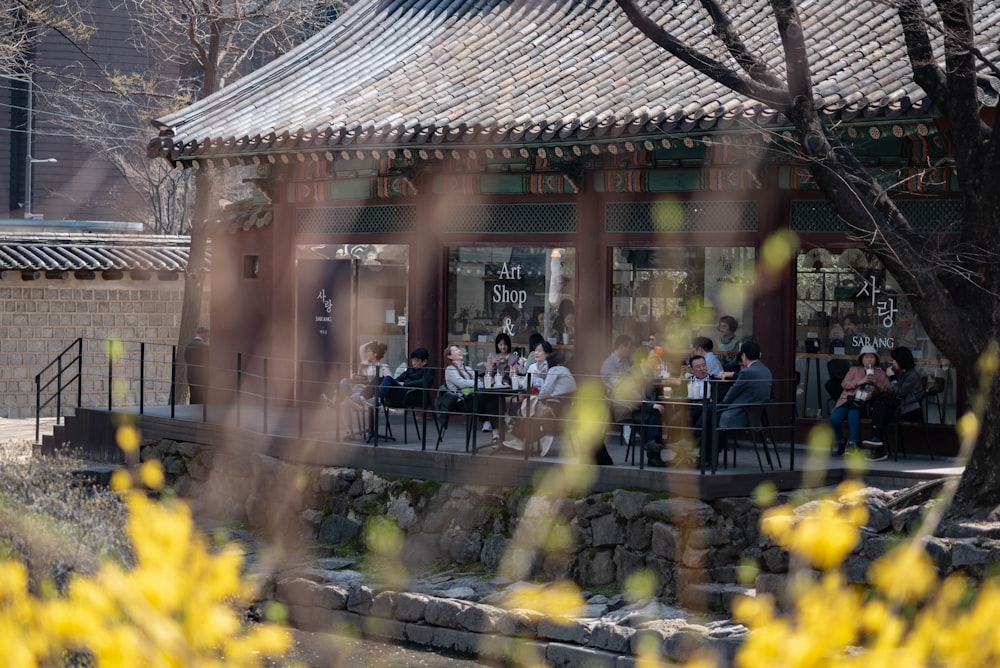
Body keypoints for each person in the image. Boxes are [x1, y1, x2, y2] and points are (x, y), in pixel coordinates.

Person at [862, 346, 926, 460]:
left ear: (901, 360)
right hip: (902, 406)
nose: (893, 362)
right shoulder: (904, 372)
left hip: (910, 410)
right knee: (879, 407)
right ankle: (877, 444)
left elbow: (899, 393)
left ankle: (878, 448)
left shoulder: (912, 375)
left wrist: (892, 377)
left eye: (895, 360)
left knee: (879, 409)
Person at [828, 344, 893, 456]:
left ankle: (854, 443)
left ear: (876, 359)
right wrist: (860, 381)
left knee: (853, 414)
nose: (869, 360)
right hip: (847, 400)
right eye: (866, 357)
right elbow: (844, 384)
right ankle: (841, 440)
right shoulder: (854, 370)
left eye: (872, 357)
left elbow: (889, 389)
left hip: (865, 404)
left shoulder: (880, 373)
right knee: (834, 419)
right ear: (861, 359)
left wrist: (875, 382)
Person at [443, 345, 497, 440]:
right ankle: (496, 423)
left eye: (458, 349)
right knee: (491, 398)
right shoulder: (450, 369)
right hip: (461, 402)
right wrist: (474, 383)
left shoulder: (467, 368)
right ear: (449, 356)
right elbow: (461, 384)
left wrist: (472, 384)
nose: (459, 351)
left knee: (492, 401)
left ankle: (494, 430)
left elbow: (480, 383)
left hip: (473, 398)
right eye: (455, 350)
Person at [717, 340, 772, 430]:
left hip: (740, 413)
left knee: (709, 413)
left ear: (744, 356)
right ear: (760, 355)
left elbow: (733, 392)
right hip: (756, 414)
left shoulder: (746, 372)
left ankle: (702, 440)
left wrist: (722, 404)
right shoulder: (766, 370)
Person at [185, 327, 209, 404]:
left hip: (191, 376)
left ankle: (192, 411)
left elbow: (187, 359)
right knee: (202, 398)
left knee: (193, 396)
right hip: (202, 376)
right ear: (204, 335)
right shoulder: (206, 347)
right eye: (207, 336)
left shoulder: (188, 346)